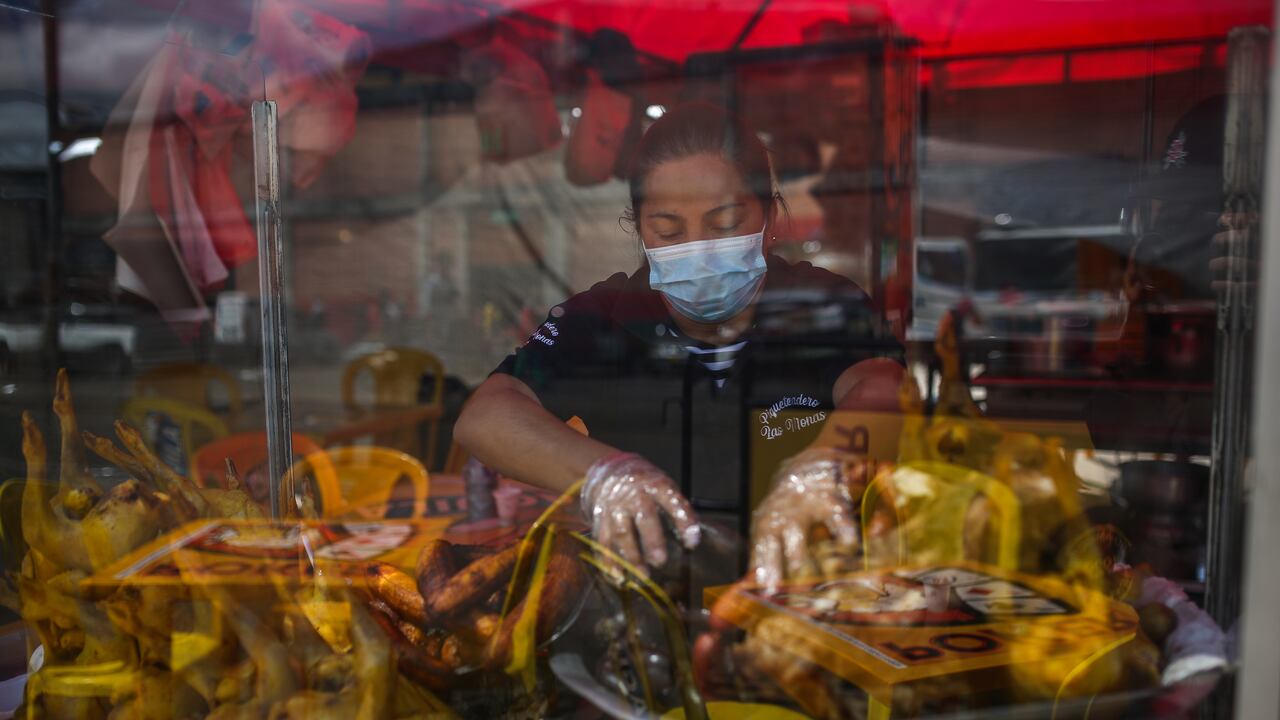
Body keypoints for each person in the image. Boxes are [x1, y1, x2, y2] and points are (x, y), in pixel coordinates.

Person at [455, 102, 903, 589]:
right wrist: (607, 473)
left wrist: (827, 463)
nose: (700, 250)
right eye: (668, 230)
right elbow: (488, 415)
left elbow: (885, 386)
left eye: (726, 223)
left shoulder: (822, 304)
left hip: (804, 599)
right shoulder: (603, 319)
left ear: (769, 216)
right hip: (651, 606)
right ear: (640, 229)